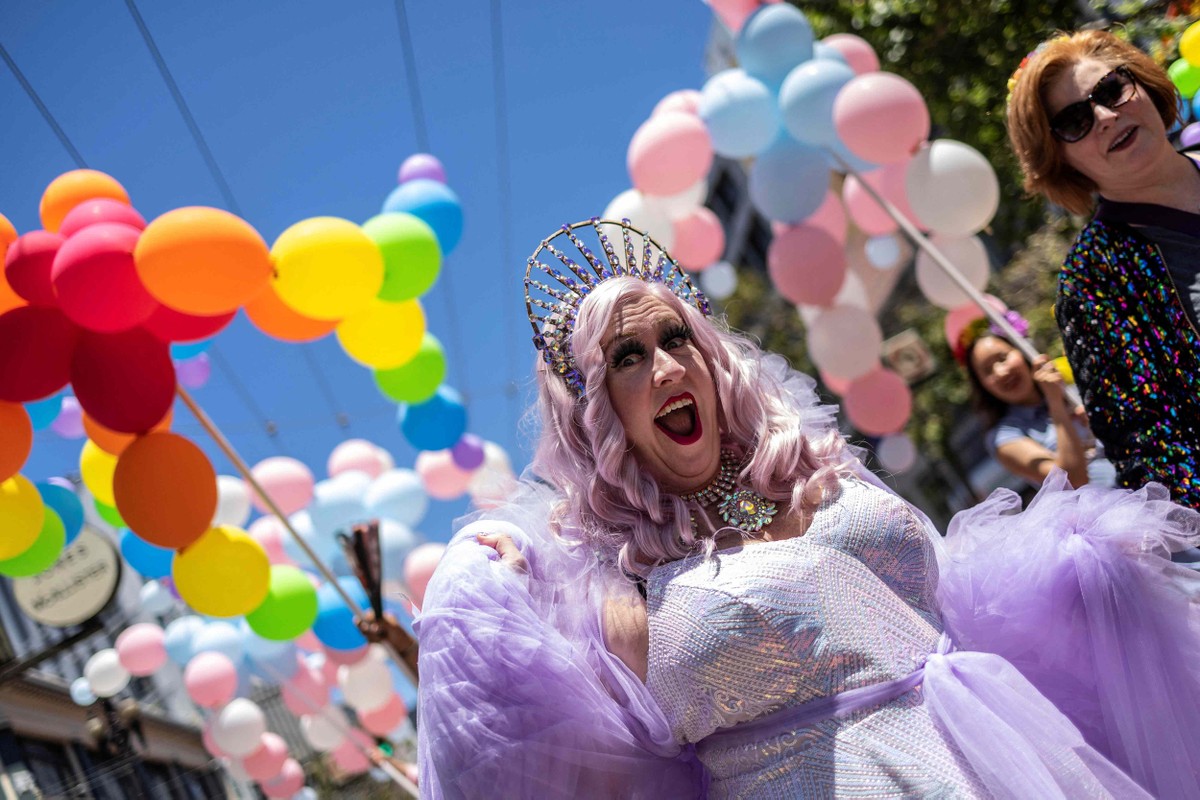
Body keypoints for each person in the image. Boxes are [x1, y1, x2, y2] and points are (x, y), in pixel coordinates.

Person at [415, 219, 1200, 799]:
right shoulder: (609, 574)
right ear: (594, 407)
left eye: (675, 338)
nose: (664, 366)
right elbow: (549, 749)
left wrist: (1067, 566)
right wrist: (482, 565)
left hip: (1005, 762)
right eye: (627, 356)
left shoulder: (815, 465)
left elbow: (956, 594)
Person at [1007, 29, 1200, 509]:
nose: (1106, 116)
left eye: (1112, 89)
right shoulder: (1092, 281)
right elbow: (1153, 458)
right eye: (1074, 121)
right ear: (1061, 160)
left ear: (1145, 85)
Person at [955, 310, 1116, 489]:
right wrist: (1056, 405)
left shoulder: (1076, 386)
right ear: (983, 386)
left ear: (1023, 350)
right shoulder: (1004, 437)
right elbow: (1073, 480)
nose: (1001, 372)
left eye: (1003, 357)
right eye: (987, 371)